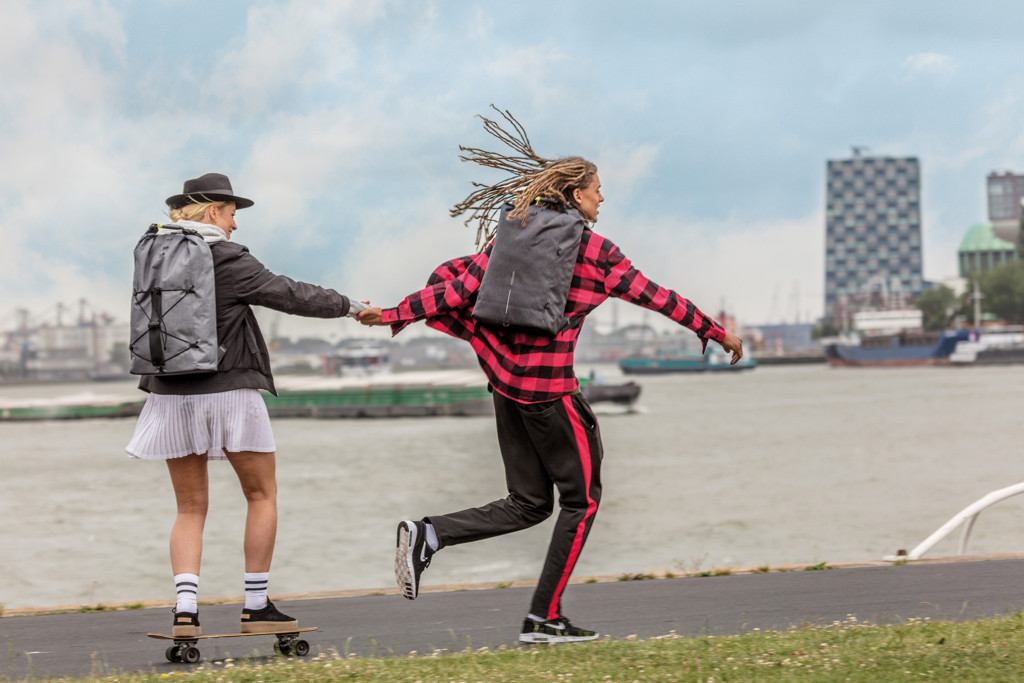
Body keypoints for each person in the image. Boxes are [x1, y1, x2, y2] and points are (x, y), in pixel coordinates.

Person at [356, 110, 743, 644]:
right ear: (576, 195)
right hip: (551, 397)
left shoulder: (511, 238)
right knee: (582, 502)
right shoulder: (598, 252)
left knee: (530, 503)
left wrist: (394, 314)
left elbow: (458, 289)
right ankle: (543, 619)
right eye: (597, 190)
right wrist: (714, 331)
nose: (602, 199)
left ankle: (430, 534)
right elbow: (659, 298)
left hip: (506, 390)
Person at [126, 172, 367, 638]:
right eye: (232, 214)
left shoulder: (153, 255)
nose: (235, 225)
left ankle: (185, 611)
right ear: (213, 211)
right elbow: (289, 293)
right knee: (261, 495)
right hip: (230, 389)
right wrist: (351, 306)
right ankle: (256, 606)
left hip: (170, 395)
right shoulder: (226, 257)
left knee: (189, 508)